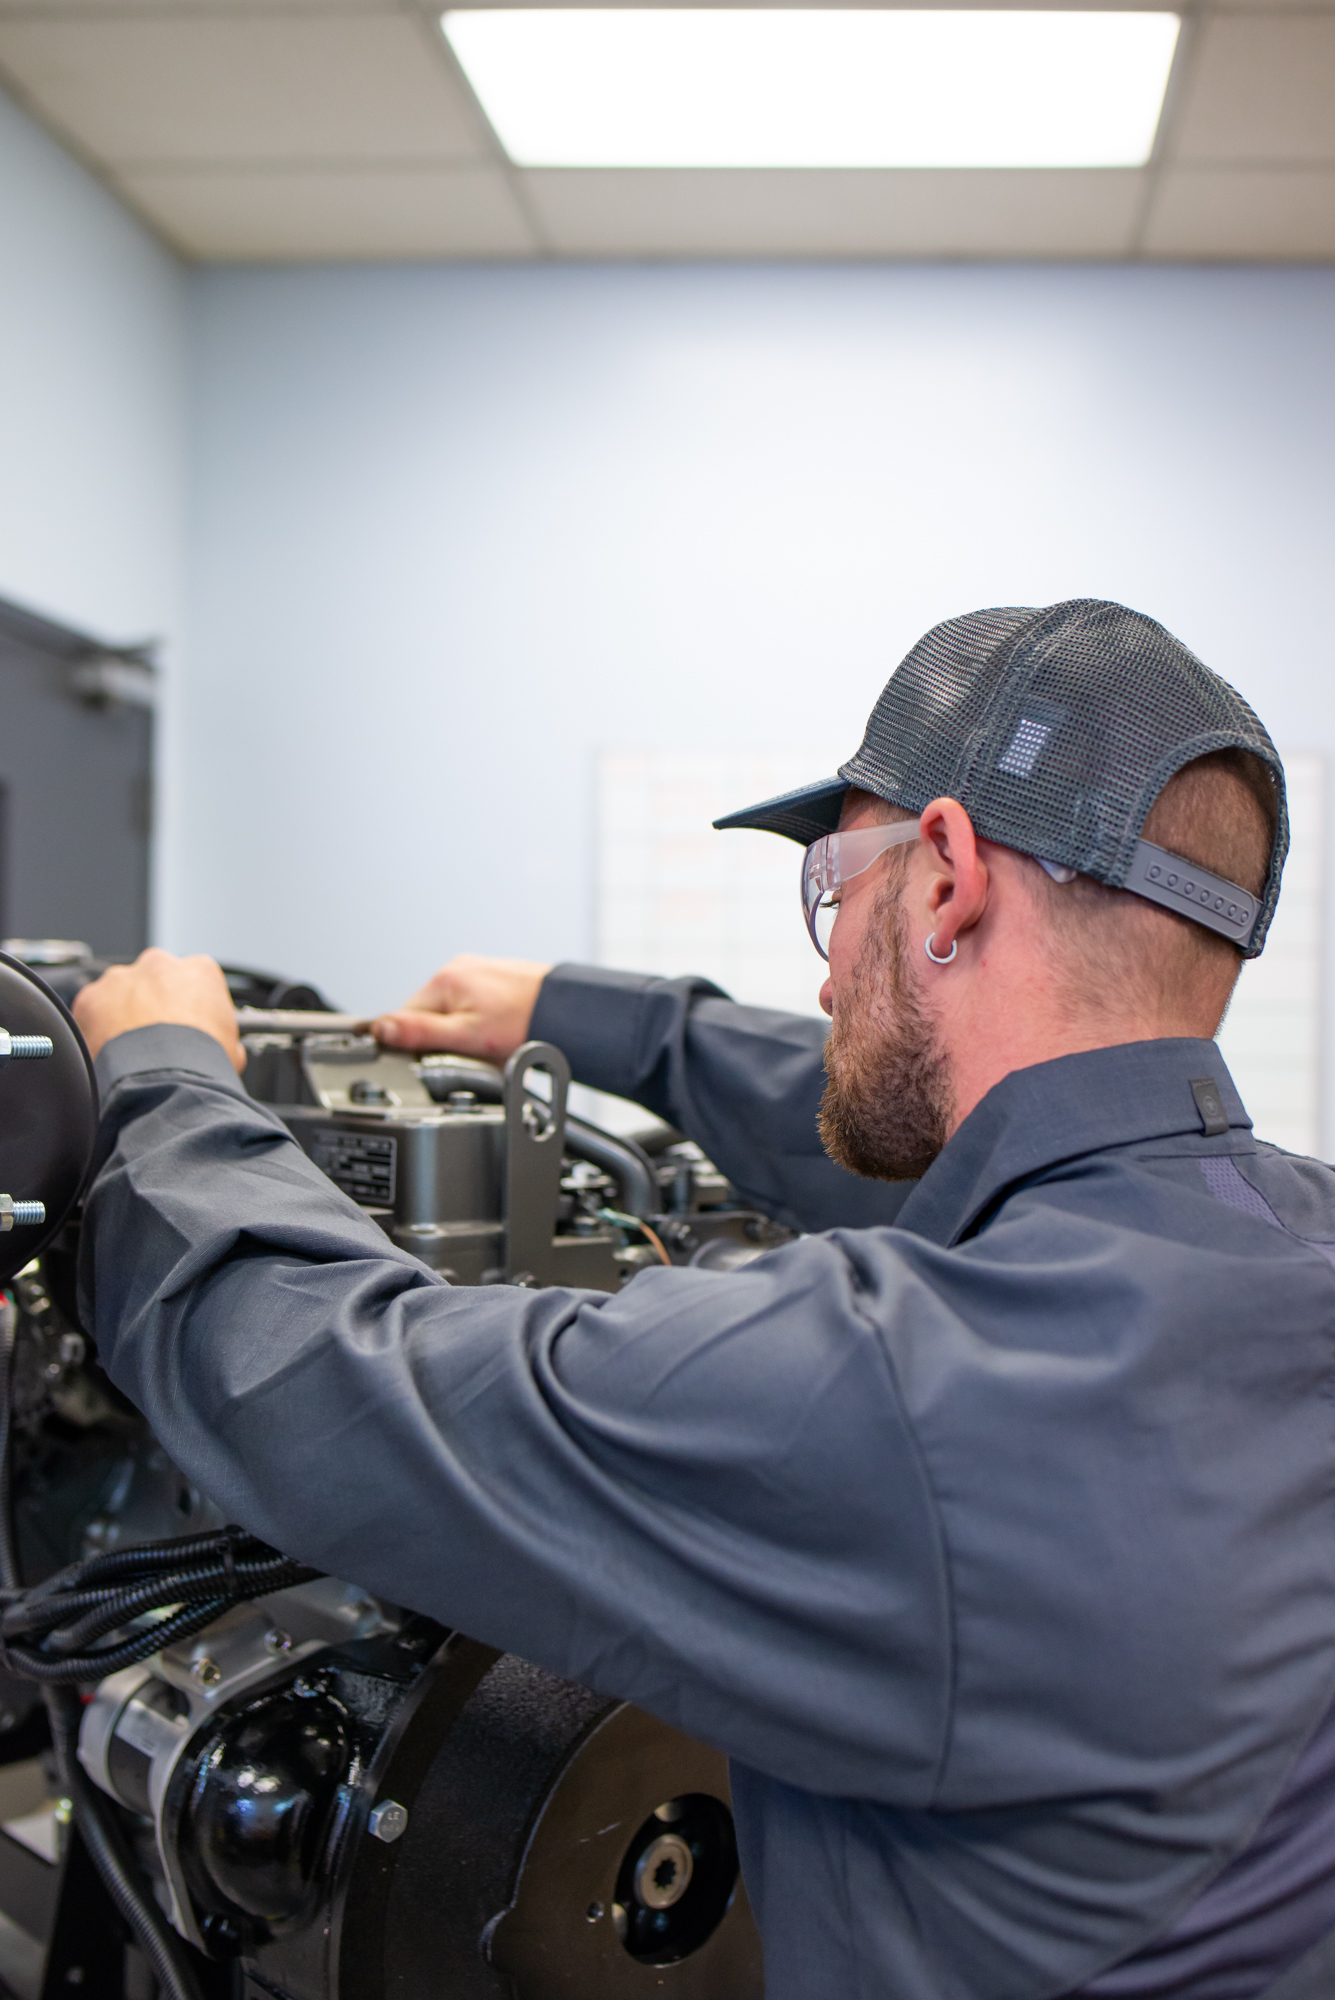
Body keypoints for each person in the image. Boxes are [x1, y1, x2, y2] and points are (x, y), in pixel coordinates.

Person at [71, 598, 1335, 2000]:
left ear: (947, 878)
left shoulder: (894, 1394)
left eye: (835, 886)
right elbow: (966, 1145)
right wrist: (610, 1021)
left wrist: (165, 1077)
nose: (824, 959)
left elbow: (296, 1373)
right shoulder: (1295, 1240)